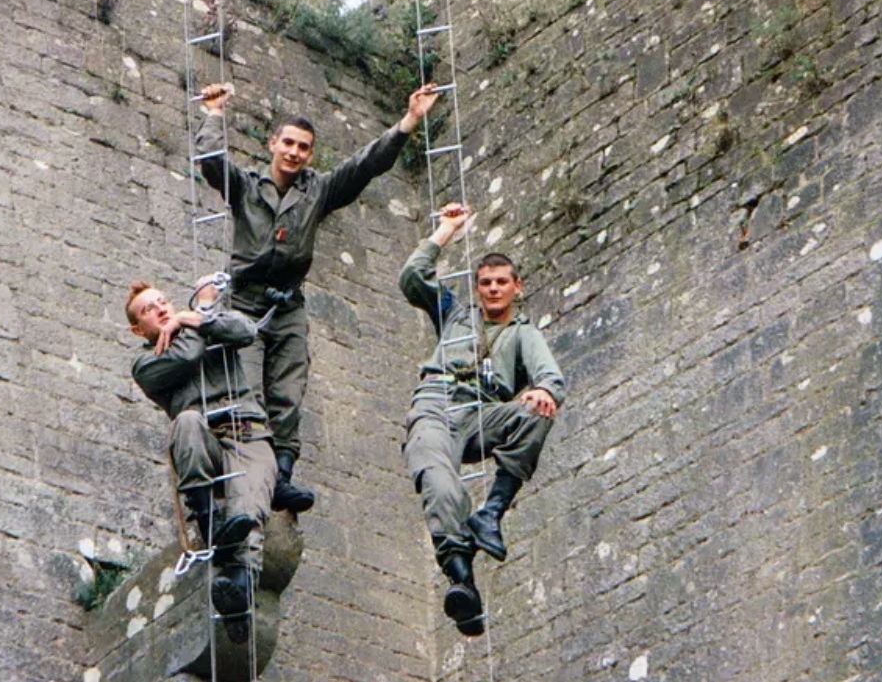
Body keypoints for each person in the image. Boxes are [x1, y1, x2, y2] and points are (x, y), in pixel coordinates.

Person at [195, 81, 441, 514]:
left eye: (303, 147)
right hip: (245, 303)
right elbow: (213, 164)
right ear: (273, 144)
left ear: (310, 154)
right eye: (287, 143)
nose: (293, 152)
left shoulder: (318, 191)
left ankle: (282, 477)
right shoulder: (247, 187)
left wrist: (409, 122)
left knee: (289, 393)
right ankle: (252, 476)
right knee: (247, 392)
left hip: (288, 305)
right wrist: (214, 114)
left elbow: (365, 166)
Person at [398, 203, 566, 636]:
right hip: (437, 402)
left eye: (501, 283)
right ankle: (461, 579)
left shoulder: (525, 333)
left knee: (537, 409)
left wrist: (542, 390)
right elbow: (412, 277)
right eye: (486, 283)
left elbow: (551, 377)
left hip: (482, 413)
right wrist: (446, 230)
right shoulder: (455, 314)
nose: (493, 290)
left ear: (516, 287)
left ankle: (490, 513)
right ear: (477, 289)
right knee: (438, 480)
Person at [126, 275, 278, 642]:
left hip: (248, 433)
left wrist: (201, 316)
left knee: (247, 512)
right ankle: (209, 519)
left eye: (163, 301)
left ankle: (239, 591)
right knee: (188, 422)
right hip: (205, 441)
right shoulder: (147, 365)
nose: (161, 308)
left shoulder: (201, 324)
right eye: (149, 309)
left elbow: (244, 331)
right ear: (137, 329)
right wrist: (200, 311)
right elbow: (188, 354)